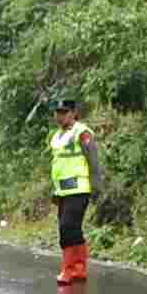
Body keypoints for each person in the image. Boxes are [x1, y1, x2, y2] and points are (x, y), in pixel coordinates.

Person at [48, 98, 107, 284]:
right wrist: (55, 191)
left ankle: (67, 270)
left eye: (64, 112)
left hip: (79, 189)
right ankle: (79, 269)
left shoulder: (82, 132)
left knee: (67, 228)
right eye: (57, 112)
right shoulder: (56, 136)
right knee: (72, 229)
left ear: (73, 113)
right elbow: (58, 165)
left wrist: (97, 187)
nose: (60, 116)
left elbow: (93, 161)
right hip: (63, 191)